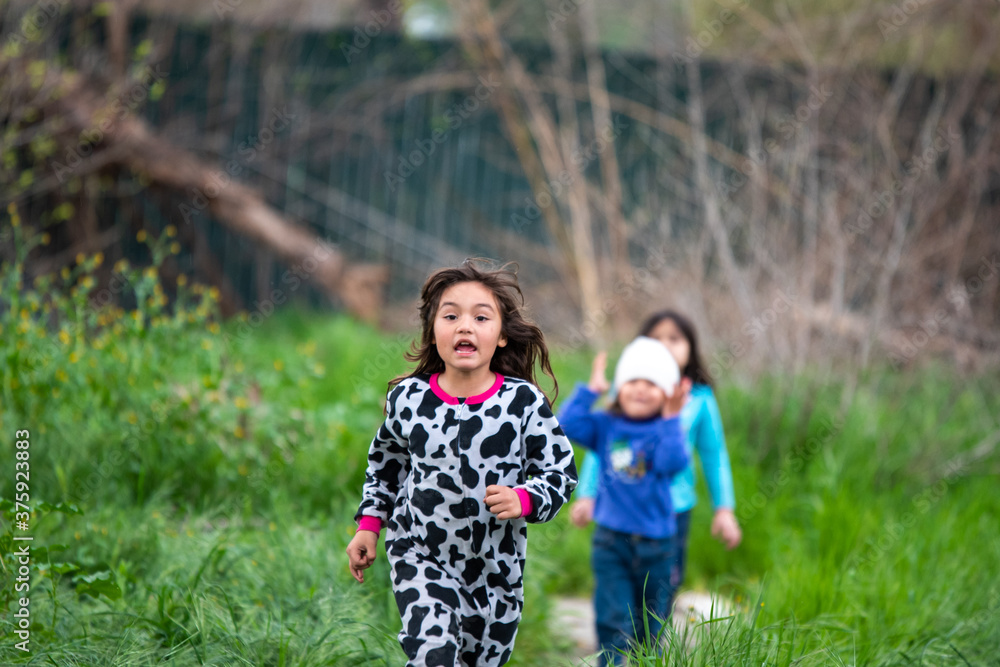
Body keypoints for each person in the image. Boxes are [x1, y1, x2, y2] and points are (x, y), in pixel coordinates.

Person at [346, 259, 578, 667]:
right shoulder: (410, 399)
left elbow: (560, 474)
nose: (464, 326)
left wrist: (525, 498)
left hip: (496, 572)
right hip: (419, 553)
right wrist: (370, 525)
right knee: (434, 652)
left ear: (502, 336)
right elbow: (385, 465)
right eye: (450, 315)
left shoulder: (523, 403)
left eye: (481, 317)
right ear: (433, 332)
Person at [571, 310, 742, 605]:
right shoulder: (630, 394)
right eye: (655, 338)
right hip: (621, 508)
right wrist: (587, 494)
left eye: (674, 339)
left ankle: (650, 647)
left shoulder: (699, 399)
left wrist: (724, 509)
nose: (664, 345)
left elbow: (714, 456)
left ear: (691, 348)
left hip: (673, 511)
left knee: (662, 587)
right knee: (618, 583)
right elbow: (604, 449)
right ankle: (618, 640)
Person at [557, 336, 691, 666]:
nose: (641, 389)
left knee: (653, 625)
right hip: (611, 543)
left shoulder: (664, 429)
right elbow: (565, 424)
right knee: (613, 617)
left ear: (666, 392)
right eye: (632, 381)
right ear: (619, 387)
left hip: (657, 546)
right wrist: (591, 391)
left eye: (652, 383)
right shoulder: (606, 424)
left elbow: (674, 463)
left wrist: (673, 419)